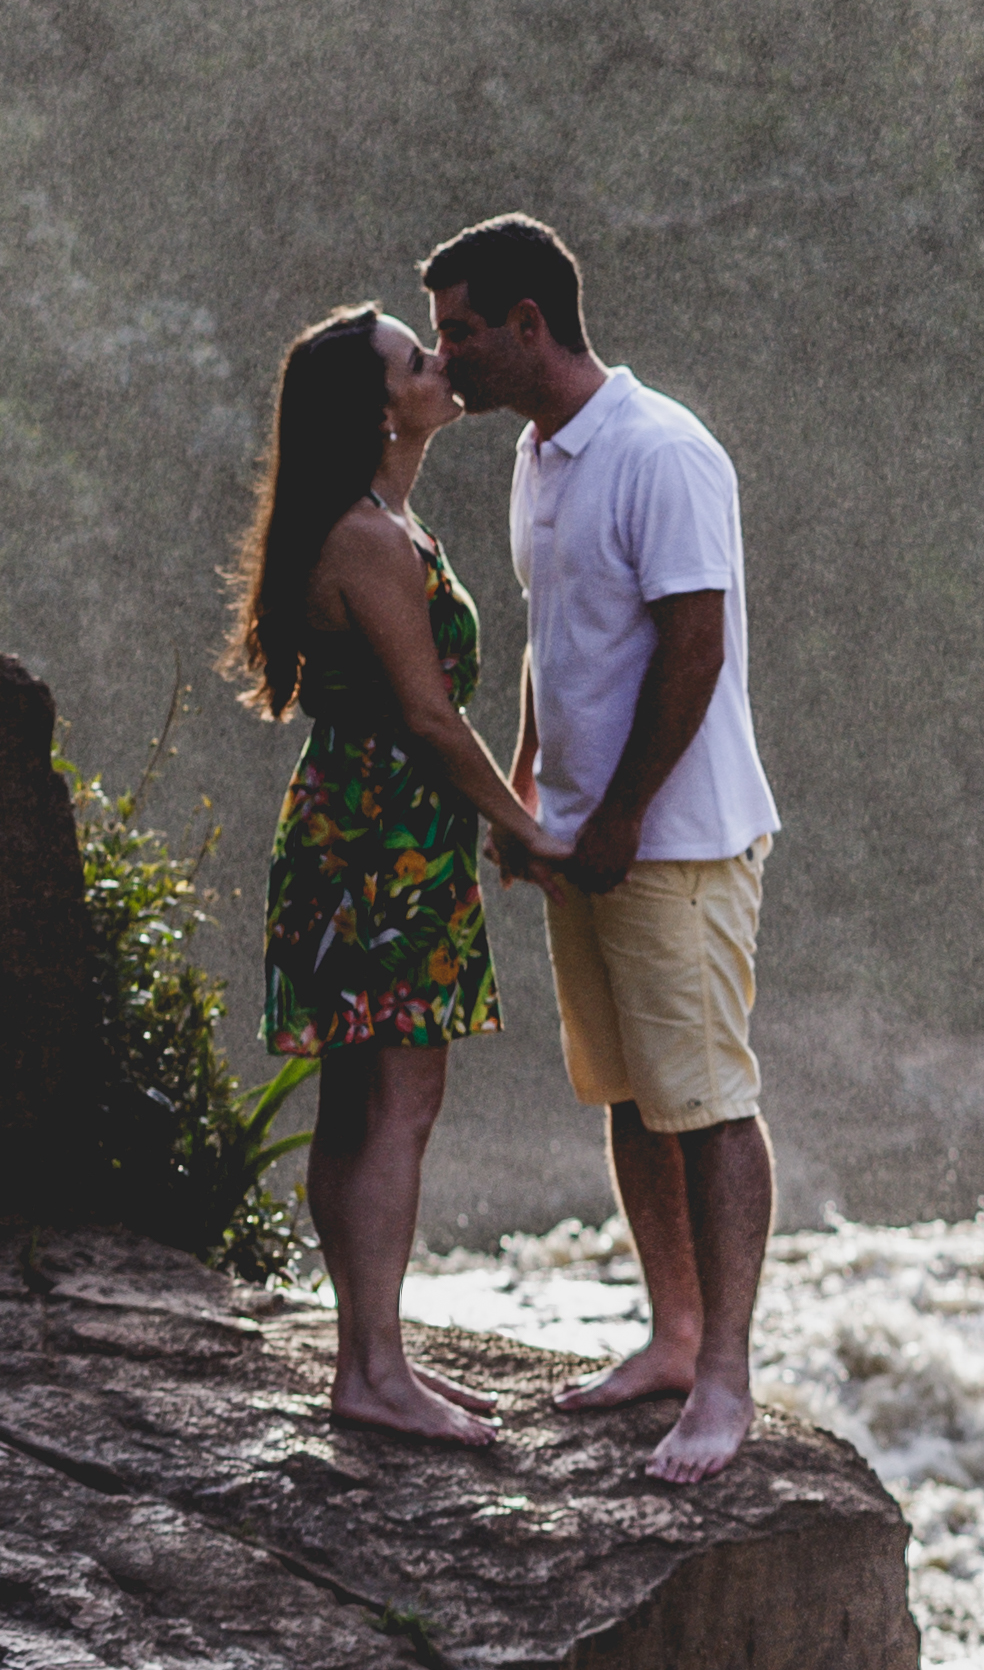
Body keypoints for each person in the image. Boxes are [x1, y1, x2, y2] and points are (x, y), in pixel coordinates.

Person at [423, 212, 782, 1486]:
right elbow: (552, 633)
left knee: (709, 1102)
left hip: (675, 840)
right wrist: (530, 788)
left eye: (460, 331)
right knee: (634, 1098)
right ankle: (672, 1339)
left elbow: (697, 647)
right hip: (583, 836)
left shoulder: (661, 449)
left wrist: (623, 813)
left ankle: (727, 1378)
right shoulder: (538, 455)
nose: (443, 355)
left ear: (531, 325)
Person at [228, 303, 550, 1445]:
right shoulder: (366, 536)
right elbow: (426, 713)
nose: (440, 361)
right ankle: (372, 1368)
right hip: (379, 845)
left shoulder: (382, 519)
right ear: (380, 407)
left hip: (374, 837)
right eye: (419, 359)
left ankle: (371, 1359)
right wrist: (528, 828)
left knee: (363, 1102)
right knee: (397, 1104)